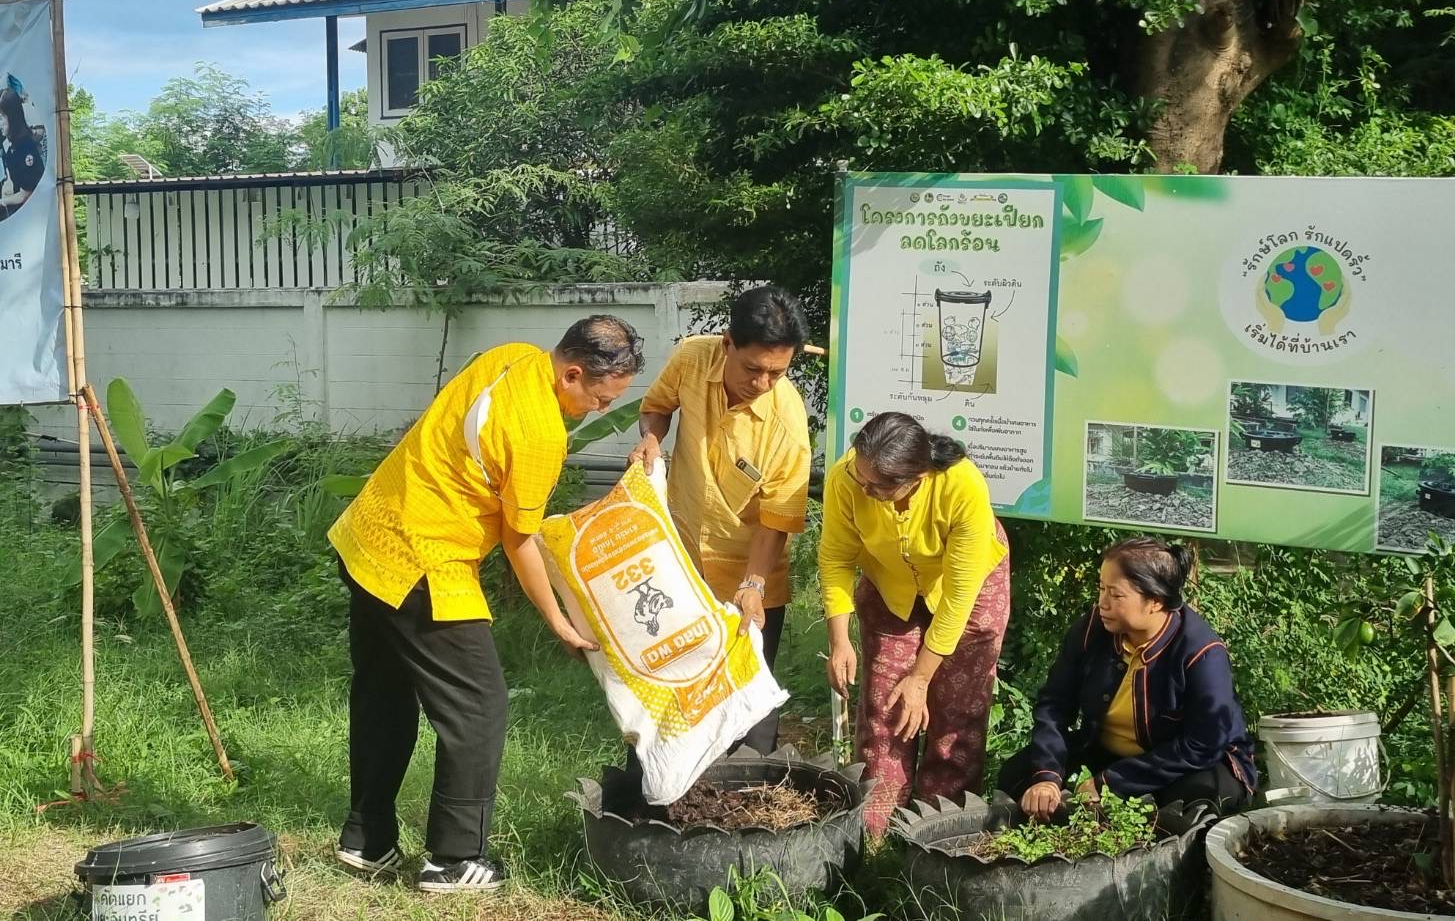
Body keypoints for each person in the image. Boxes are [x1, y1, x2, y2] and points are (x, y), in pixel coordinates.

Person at [330, 316, 644, 893]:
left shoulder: (512, 355)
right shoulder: (540, 433)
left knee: (384, 691)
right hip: (424, 562)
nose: (600, 411)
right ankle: (452, 860)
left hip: (369, 534)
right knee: (480, 708)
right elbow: (519, 538)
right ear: (572, 373)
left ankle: (365, 840)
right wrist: (560, 620)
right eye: (599, 398)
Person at [627, 285, 812, 753]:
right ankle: (658, 791)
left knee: (749, 698)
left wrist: (752, 585)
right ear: (727, 343)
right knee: (674, 685)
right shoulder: (692, 357)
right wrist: (652, 439)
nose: (763, 383)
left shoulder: (787, 421)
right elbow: (656, 406)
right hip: (680, 561)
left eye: (777, 372)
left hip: (749, 571)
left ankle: (748, 802)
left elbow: (776, 518)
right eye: (754, 369)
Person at [820, 411, 1011, 835]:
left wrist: (922, 677)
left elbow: (959, 596)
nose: (864, 489)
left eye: (878, 486)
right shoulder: (845, 478)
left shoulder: (961, 485)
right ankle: (875, 830)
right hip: (892, 584)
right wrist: (839, 640)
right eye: (861, 476)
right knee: (886, 705)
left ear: (918, 476)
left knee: (958, 707)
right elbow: (835, 558)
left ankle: (939, 827)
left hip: (969, 586)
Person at [998, 536, 1257, 819]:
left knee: (1200, 799)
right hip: (1104, 750)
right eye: (1101, 589)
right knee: (1019, 775)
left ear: (1155, 602)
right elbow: (1055, 704)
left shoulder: (1202, 652)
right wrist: (1047, 776)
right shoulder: (1091, 630)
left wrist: (1111, 782)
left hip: (1180, 762)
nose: (1102, 603)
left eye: (1116, 595)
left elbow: (1203, 744)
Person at [0, 87, 45, 222]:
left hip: (31, 217)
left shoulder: (26, 148)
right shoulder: (10, 144)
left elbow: (26, 194)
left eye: (1, 118)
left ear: (12, 117)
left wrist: (3, 201)